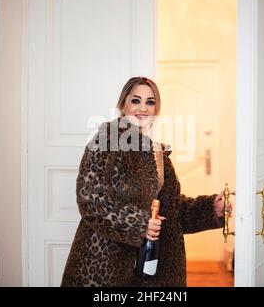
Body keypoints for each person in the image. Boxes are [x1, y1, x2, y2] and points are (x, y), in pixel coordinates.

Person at [60, 76, 232, 287]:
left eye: (150, 102)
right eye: (136, 100)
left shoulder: (157, 153)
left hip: (147, 269)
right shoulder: (106, 140)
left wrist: (210, 209)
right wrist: (140, 224)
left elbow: (173, 211)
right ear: (123, 104)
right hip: (102, 266)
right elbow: (91, 200)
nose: (143, 108)